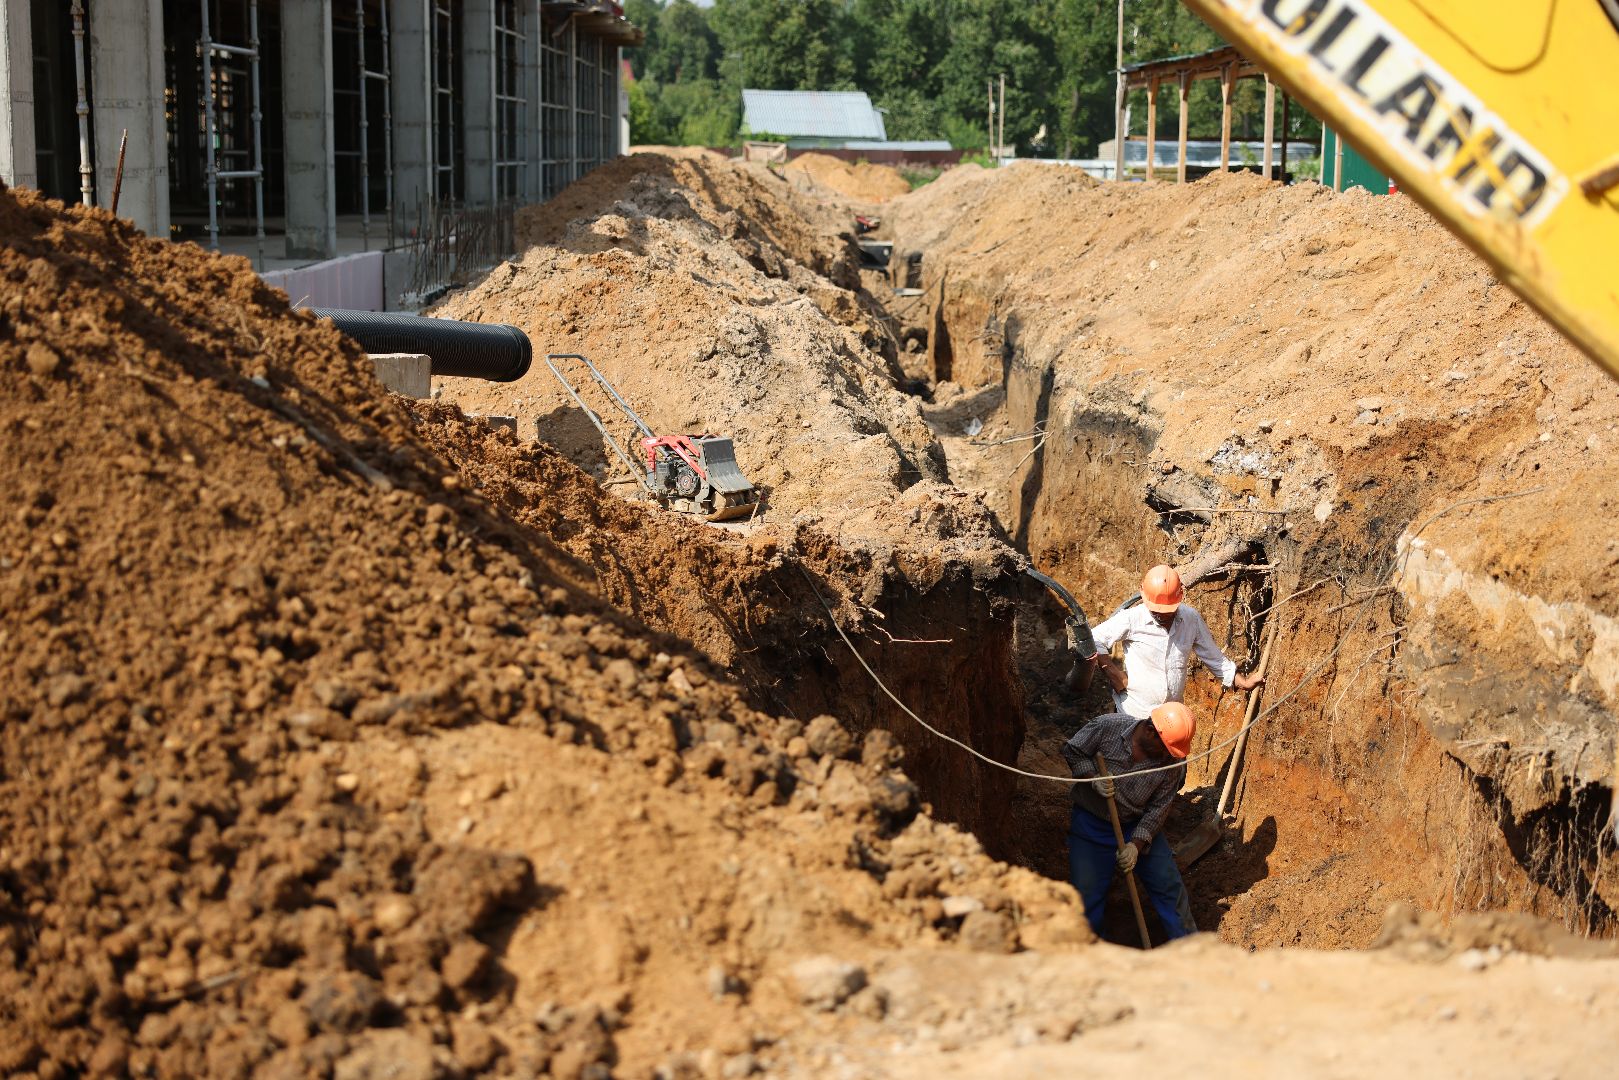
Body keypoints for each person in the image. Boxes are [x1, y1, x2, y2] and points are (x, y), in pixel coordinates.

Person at [1062, 703, 1198, 941]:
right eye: (1165, 747)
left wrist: (1136, 845)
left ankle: (1189, 949)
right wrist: (1092, 778)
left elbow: (1158, 808)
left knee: (1168, 886)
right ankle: (1092, 955)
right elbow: (1073, 750)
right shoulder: (1107, 726)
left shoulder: (1171, 763)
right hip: (1092, 821)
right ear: (1149, 730)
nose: (1168, 754)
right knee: (1086, 896)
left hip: (1136, 825)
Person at [1089, 564, 1263, 719]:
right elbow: (1093, 639)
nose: (1161, 614)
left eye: (1167, 610)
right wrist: (1114, 674)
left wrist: (1243, 682)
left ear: (1180, 598)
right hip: (1133, 713)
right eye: (1156, 610)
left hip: (1172, 718)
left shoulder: (1191, 619)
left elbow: (1214, 657)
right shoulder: (1132, 618)